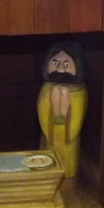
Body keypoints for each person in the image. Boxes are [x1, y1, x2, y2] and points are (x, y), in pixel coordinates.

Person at [37, 41, 88, 178]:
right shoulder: (46, 89)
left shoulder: (79, 91)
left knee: (68, 165)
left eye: (66, 64)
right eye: (55, 63)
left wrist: (66, 121)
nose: (60, 70)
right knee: (50, 161)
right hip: (51, 136)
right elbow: (42, 113)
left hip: (68, 139)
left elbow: (77, 118)